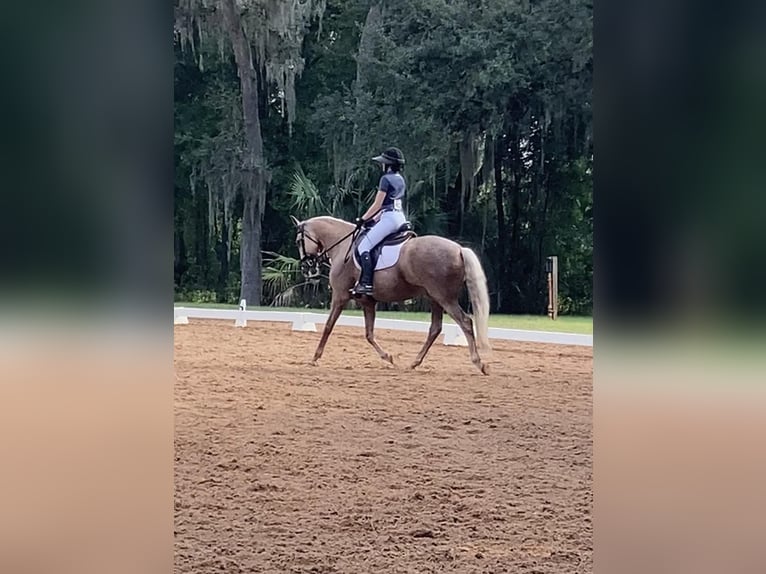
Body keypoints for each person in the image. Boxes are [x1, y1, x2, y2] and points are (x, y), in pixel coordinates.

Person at [351, 147, 407, 296]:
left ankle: (366, 283)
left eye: (383, 163)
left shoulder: (385, 179)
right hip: (400, 217)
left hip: (389, 218)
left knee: (364, 246)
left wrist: (363, 219)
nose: (381, 165)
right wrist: (374, 219)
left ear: (388, 164)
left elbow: (378, 204)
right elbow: (390, 204)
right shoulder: (400, 179)